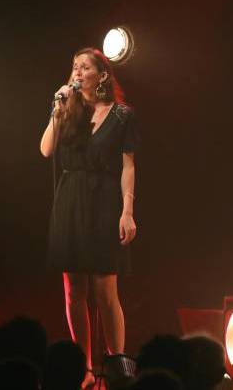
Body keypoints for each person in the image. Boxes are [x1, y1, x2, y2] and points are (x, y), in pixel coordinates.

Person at [40, 47, 139, 388]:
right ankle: (81, 367)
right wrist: (58, 108)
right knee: (73, 291)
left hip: (104, 200)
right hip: (70, 198)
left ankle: (117, 366)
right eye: (75, 66)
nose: (78, 71)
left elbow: (128, 166)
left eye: (85, 66)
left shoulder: (122, 115)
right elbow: (46, 149)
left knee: (104, 289)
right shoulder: (68, 109)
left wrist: (127, 211)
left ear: (102, 74)